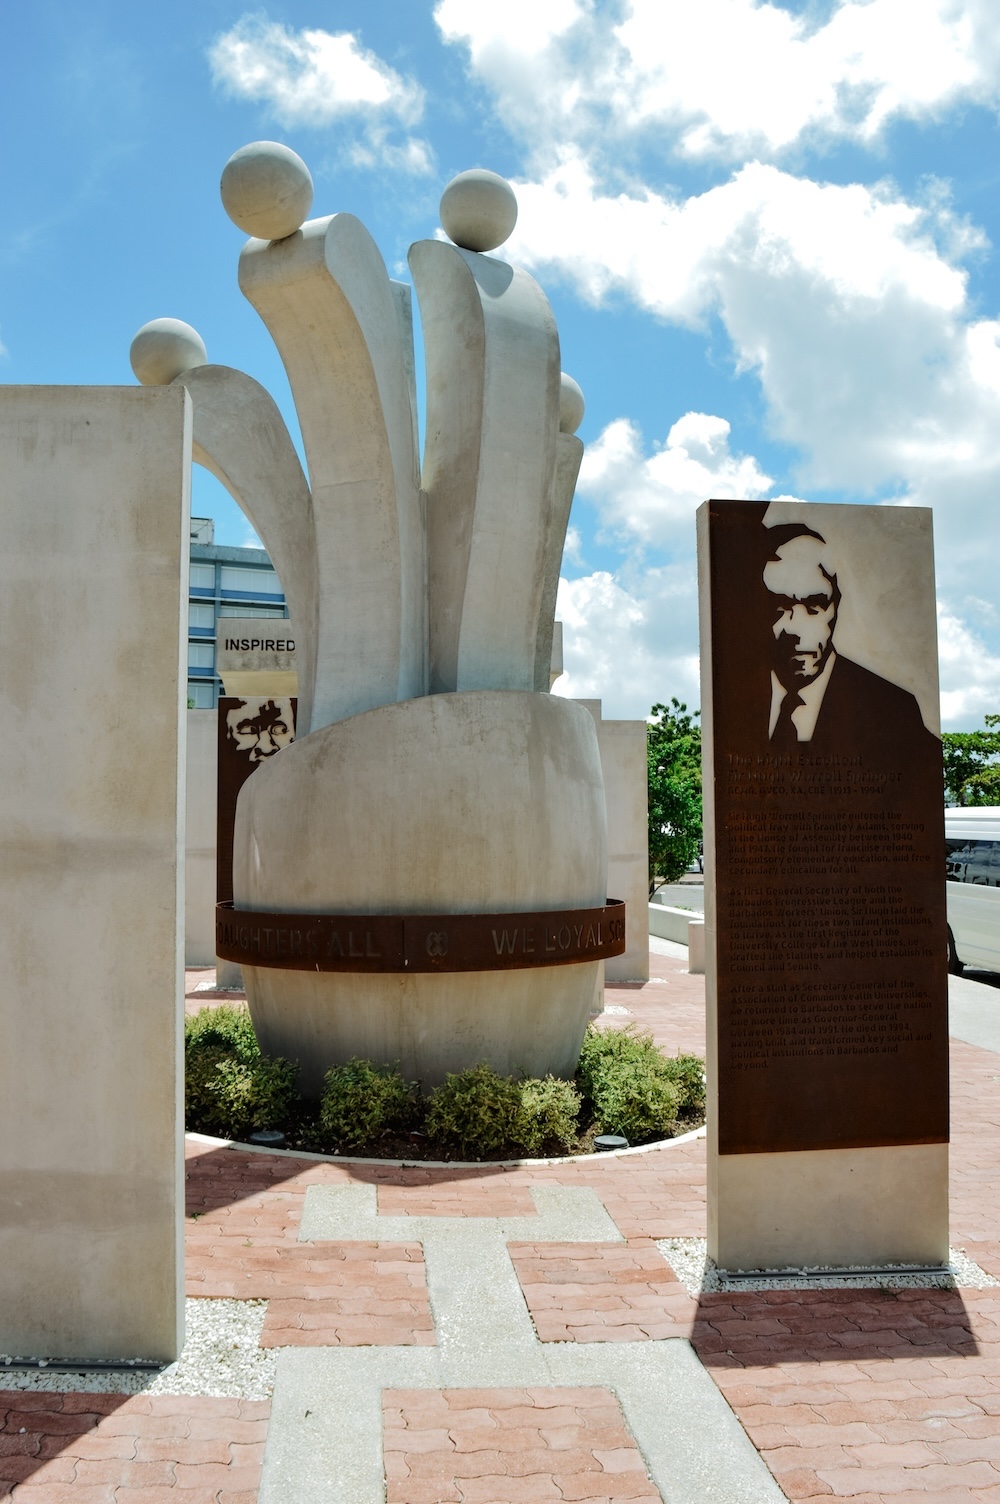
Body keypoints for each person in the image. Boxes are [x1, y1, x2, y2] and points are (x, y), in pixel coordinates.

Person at [762, 523, 932, 756]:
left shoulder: (893, 709)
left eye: (815, 606)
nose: (797, 627)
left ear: (836, 607)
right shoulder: (734, 703)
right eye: (780, 607)